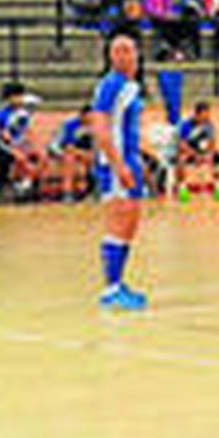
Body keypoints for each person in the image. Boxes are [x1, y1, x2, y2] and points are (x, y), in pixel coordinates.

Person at [92, 34, 148, 311]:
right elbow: (101, 129)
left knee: (130, 223)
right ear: (110, 56)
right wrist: (118, 164)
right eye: (119, 51)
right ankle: (111, 288)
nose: (126, 56)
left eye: (130, 50)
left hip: (131, 160)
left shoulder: (130, 86)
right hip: (116, 164)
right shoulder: (110, 85)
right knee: (118, 221)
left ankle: (118, 283)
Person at [0, 81, 45, 202]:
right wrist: (15, 148)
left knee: (42, 156)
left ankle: (28, 182)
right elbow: (4, 136)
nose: (18, 99)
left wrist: (33, 144)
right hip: (8, 145)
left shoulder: (24, 111)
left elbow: (28, 129)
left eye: (20, 96)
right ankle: (17, 185)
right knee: (21, 159)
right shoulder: (2, 114)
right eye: (14, 97)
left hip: (23, 143)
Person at [175, 101, 219, 204]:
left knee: (217, 159)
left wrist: (209, 154)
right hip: (190, 152)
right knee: (180, 159)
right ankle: (183, 189)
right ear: (197, 114)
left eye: (208, 114)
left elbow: (212, 143)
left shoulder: (209, 125)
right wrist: (195, 155)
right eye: (204, 115)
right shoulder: (186, 125)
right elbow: (182, 144)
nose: (206, 117)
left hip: (203, 151)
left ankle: (218, 187)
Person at [49, 105, 95, 203]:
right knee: (69, 159)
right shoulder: (71, 125)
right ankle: (67, 193)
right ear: (82, 115)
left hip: (81, 152)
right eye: (89, 116)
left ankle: (91, 191)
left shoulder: (96, 126)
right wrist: (84, 154)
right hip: (60, 150)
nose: (91, 119)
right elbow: (68, 147)